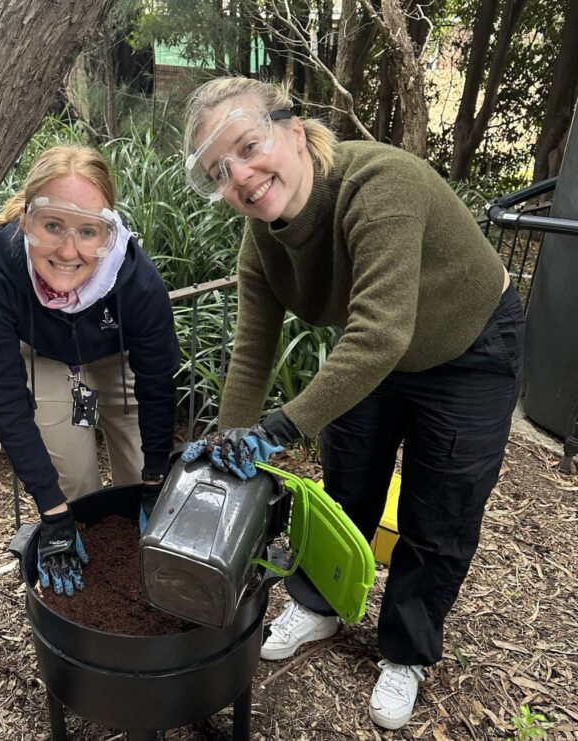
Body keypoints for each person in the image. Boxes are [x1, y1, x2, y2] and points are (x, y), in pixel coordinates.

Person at [180, 77, 524, 730]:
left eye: (249, 146)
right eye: (220, 171)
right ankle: (320, 602)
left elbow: (380, 332)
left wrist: (278, 428)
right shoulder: (263, 242)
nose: (243, 177)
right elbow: (252, 354)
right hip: (375, 345)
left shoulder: (379, 184)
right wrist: (229, 445)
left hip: (467, 344)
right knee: (347, 478)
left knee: (440, 506)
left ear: (293, 127)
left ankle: (406, 649)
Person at [0, 145, 179, 598]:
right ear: (26, 220)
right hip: (47, 356)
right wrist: (53, 513)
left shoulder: (138, 281)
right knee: (73, 484)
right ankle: (95, 587)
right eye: (53, 225)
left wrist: (156, 479)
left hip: (118, 353)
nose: (68, 249)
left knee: (142, 472)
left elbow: (157, 385)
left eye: (88, 231)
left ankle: (148, 572)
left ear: (109, 233)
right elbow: (6, 404)